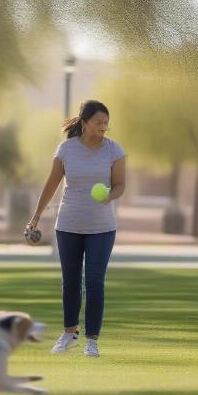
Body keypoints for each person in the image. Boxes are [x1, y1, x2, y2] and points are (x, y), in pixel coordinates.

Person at [26, 100, 126, 357]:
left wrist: (109, 196)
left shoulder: (114, 151)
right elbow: (51, 185)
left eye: (106, 123)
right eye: (98, 122)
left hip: (102, 227)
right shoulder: (67, 149)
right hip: (68, 224)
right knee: (70, 282)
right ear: (85, 123)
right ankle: (70, 333)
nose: (103, 127)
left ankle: (92, 339)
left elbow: (120, 185)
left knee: (94, 282)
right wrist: (35, 218)